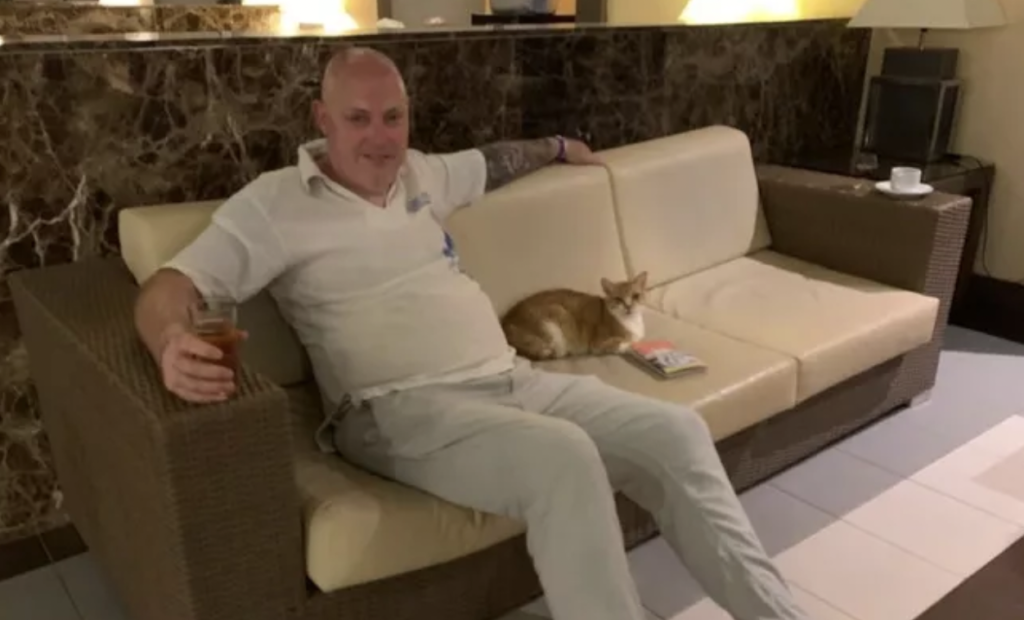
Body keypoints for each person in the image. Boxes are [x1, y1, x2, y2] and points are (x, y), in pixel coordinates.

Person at [134, 46, 809, 620]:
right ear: (321, 120)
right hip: (397, 409)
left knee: (677, 432)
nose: (380, 137)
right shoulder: (275, 203)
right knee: (565, 458)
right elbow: (169, 286)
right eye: (358, 118)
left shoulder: (422, 173)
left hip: (511, 380)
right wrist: (169, 342)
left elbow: (493, 159)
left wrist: (557, 147)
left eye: (394, 117)